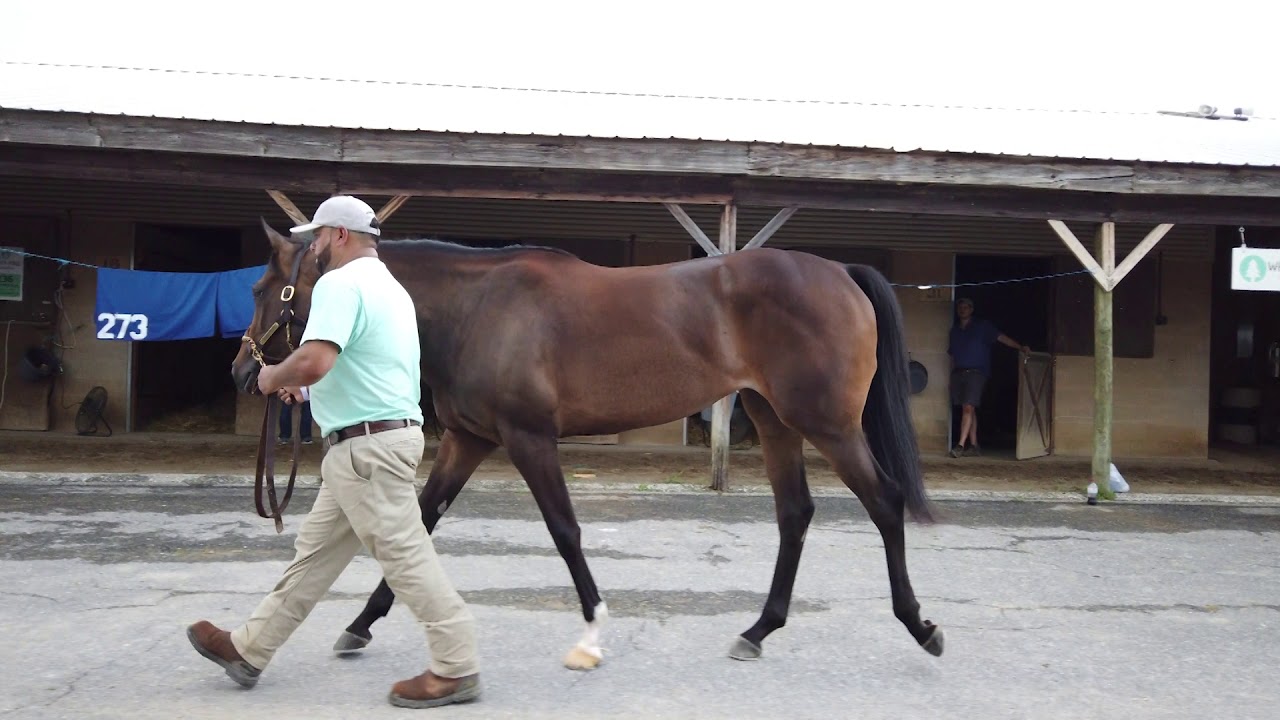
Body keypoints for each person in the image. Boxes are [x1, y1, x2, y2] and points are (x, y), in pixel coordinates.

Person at [187, 195, 481, 709]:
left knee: (406, 556)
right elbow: (363, 366)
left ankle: (456, 666)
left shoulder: (339, 284)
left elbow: (318, 358)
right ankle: (248, 649)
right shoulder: (388, 286)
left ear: (339, 235)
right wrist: (307, 391)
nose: (314, 248)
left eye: (317, 237)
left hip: (365, 450)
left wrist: (271, 377)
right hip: (374, 440)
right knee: (315, 556)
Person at [947, 297, 1030, 458]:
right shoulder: (954, 331)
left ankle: (960, 445)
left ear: (971, 310)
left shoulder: (982, 327)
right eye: (960, 307)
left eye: (966, 307)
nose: (963, 309)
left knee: (968, 407)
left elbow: (1001, 337)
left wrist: (1020, 347)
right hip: (958, 373)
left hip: (976, 373)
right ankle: (974, 445)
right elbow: (951, 355)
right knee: (969, 408)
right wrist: (950, 377)